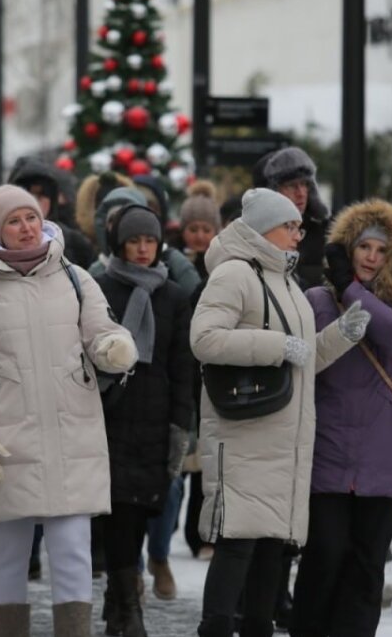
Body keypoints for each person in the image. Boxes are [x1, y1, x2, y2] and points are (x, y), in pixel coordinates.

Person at [0, 185, 138, 637]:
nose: (27, 228)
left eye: (31, 217)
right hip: (5, 442)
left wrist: (113, 347)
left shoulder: (74, 276)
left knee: (73, 553)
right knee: (6, 559)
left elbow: (101, 330)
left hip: (72, 436)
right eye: (14, 221)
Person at [191, 188, 369, 637]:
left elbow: (301, 358)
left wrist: (341, 336)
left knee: (271, 548)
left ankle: (257, 628)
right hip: (247, 432)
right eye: (289, 225)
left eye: (298, 226)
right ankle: (214, 628)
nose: (298, 233)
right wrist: (276, 346)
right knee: (238, 543)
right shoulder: (235, 273)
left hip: (283, 438)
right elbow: (205, 339)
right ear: (263, 229)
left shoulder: (284, 280)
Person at [290, 199, 392, 637]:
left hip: (382, 460)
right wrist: (342, 292)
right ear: (347, 250)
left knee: (366, 567)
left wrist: (351, 290)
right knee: (324, 555)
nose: (371, 257)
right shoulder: (314, 301)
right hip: (328, 453)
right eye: (363, 246)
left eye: (381, 250)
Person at [94, 204, 194, 636]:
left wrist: (180, 426)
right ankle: (128, 605)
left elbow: (182, 367)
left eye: (149, 241)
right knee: (115, 510)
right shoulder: (97, 288)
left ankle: (120, 599)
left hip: (155, 419)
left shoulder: (173, 296)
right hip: (108, 416)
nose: (141, 249)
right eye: (133, 241)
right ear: (118, 244)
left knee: (139, 510)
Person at [174, 182, 222, 563]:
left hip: (208, 373)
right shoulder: (176, 266)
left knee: (206, 468)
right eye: (195, 229)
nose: (201, 236)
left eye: (207, 229)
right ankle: (183, 530)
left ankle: (201, 533)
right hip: (185, 370)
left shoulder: (223, 268)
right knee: (185, 463)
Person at [257, 147, 330, 290]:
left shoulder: (327, 233)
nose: (301, 193)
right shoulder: (260, 235)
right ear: (274, 190)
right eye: (292, 185)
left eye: (304, 184)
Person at [8, 158, 96, 269]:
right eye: (27, 196)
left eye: (40, 196)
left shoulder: (76, 244)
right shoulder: (0, 243)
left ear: (52, 199)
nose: (33, 203)